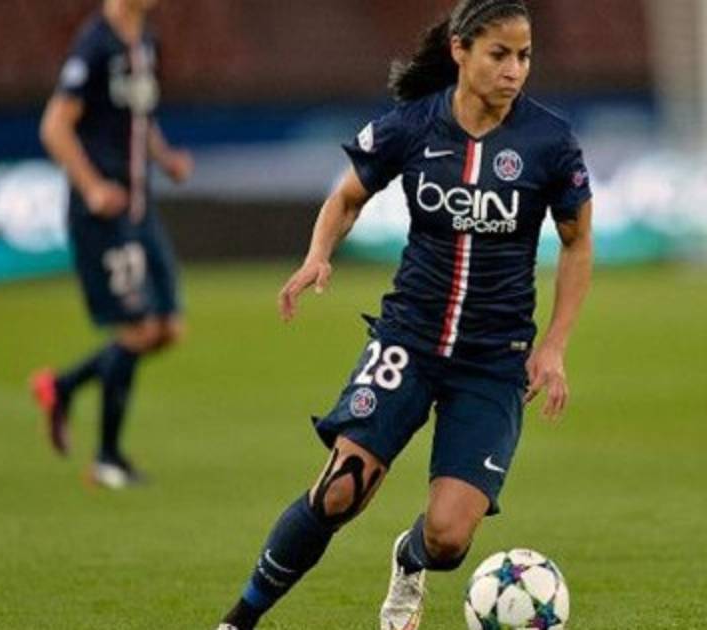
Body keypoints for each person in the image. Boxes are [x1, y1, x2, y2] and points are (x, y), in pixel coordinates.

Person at [217, 0, 593, 628]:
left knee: (449, 539)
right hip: (409, 341)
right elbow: (347, 197)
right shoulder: (414, 125)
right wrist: (317, 255)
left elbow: (577, 243)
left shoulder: (549, 142)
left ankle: (409, 558)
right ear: (460, 50)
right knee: (341, 490)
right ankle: (237, 620)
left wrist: (553, 345)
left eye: (524, 56)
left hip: (492, 360)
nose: (514, 71)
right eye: (499, 54)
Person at [30, 0, 194, 489]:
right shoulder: (95, 44)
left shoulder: (146, 41)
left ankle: (62, 387)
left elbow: (141, 118)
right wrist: (92, 187)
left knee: (168, 328)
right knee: (141, 328)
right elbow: (54, 126)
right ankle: (107, 459)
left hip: (140, 208)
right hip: (104, 213)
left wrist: (164, 158)